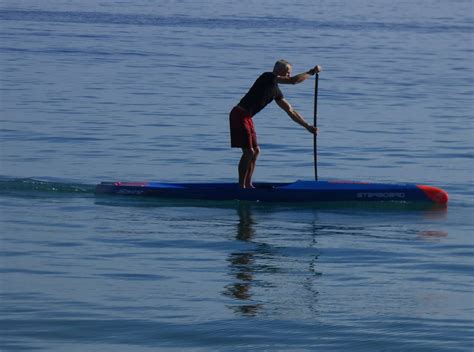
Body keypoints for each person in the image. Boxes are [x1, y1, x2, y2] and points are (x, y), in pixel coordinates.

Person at [229, 60, 321, 189]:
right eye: (287, 72)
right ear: (279, 71)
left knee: (256, 151)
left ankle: (248, 185)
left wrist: (307, 126)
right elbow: (293, 81)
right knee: (248, 152)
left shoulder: (276, 91)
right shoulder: (267, 77)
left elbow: (291, 111)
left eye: (290, 72)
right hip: (238, 115)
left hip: (247, 117)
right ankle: (241, 187)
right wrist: (311, 72)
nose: (289, 75)